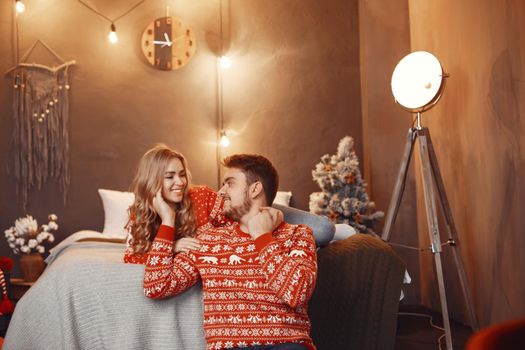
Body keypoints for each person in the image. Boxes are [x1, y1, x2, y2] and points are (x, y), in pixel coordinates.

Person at [144, 154, 318, 350]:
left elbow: (297, 294)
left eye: (230, 184)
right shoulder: (208, 238)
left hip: (286, 345)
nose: (220, 192)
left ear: (255, 189)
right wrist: (168, 220)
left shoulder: (298, 235)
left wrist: (261, 236)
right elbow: (156, 286)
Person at [124, 144, 230, 264]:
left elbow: (239, 228)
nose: (180, 182)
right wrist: (172, 245)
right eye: (169, 177)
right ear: (151, 181)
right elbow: (132, 258)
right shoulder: (141, 211)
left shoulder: (203, 197)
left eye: (182, 175)